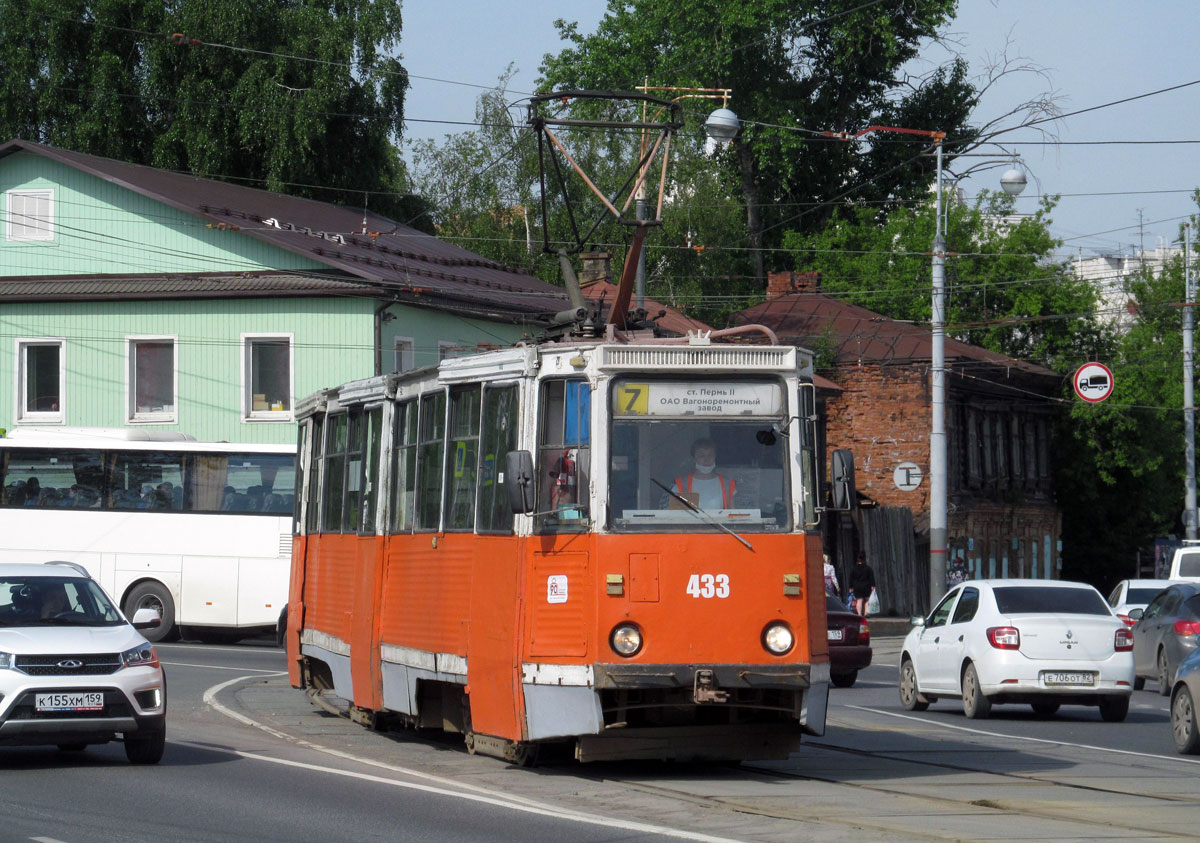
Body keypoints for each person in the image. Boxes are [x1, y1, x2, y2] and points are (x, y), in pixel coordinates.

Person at [669, 438, 735, 510]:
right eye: (702, 456)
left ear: (715, 457)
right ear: (694, 459)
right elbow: (675, 517)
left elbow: (733, 515)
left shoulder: (726, 484)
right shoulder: (682, 485)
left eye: (710, 455)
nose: (706, 459)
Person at [848, 552, 876, 617]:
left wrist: (850, 587)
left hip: (857, 586)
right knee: (867, 600)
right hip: (866, 586)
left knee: (859, 600)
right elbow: (871, 577)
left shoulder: (853, 569)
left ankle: (859, 614)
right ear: (864, 559)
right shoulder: (868, 568)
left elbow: (851, 578)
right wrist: (873, 585)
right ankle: (866, 613)